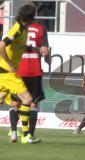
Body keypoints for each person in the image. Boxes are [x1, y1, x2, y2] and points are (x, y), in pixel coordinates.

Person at [0, 4, 41, 144]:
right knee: (27, 99)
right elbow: (1, 45)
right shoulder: (17, 29)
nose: (35, 18)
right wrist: (10, 64)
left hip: (3, 72)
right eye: (33, 16)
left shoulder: (24, 29)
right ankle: (25, 135)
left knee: (2, 100)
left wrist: (29, 48)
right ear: (28, 17)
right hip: (7, 72)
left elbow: (17, 46)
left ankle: (21, 135)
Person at [7, 19, 50, 143]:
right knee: (32, 103)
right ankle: (29, 135)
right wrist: (45, 56)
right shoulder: (41, 29)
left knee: (15, 102)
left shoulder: (16, 27)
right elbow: (45, 52)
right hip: (34, 70)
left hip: (18, 69)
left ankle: (13, 131)